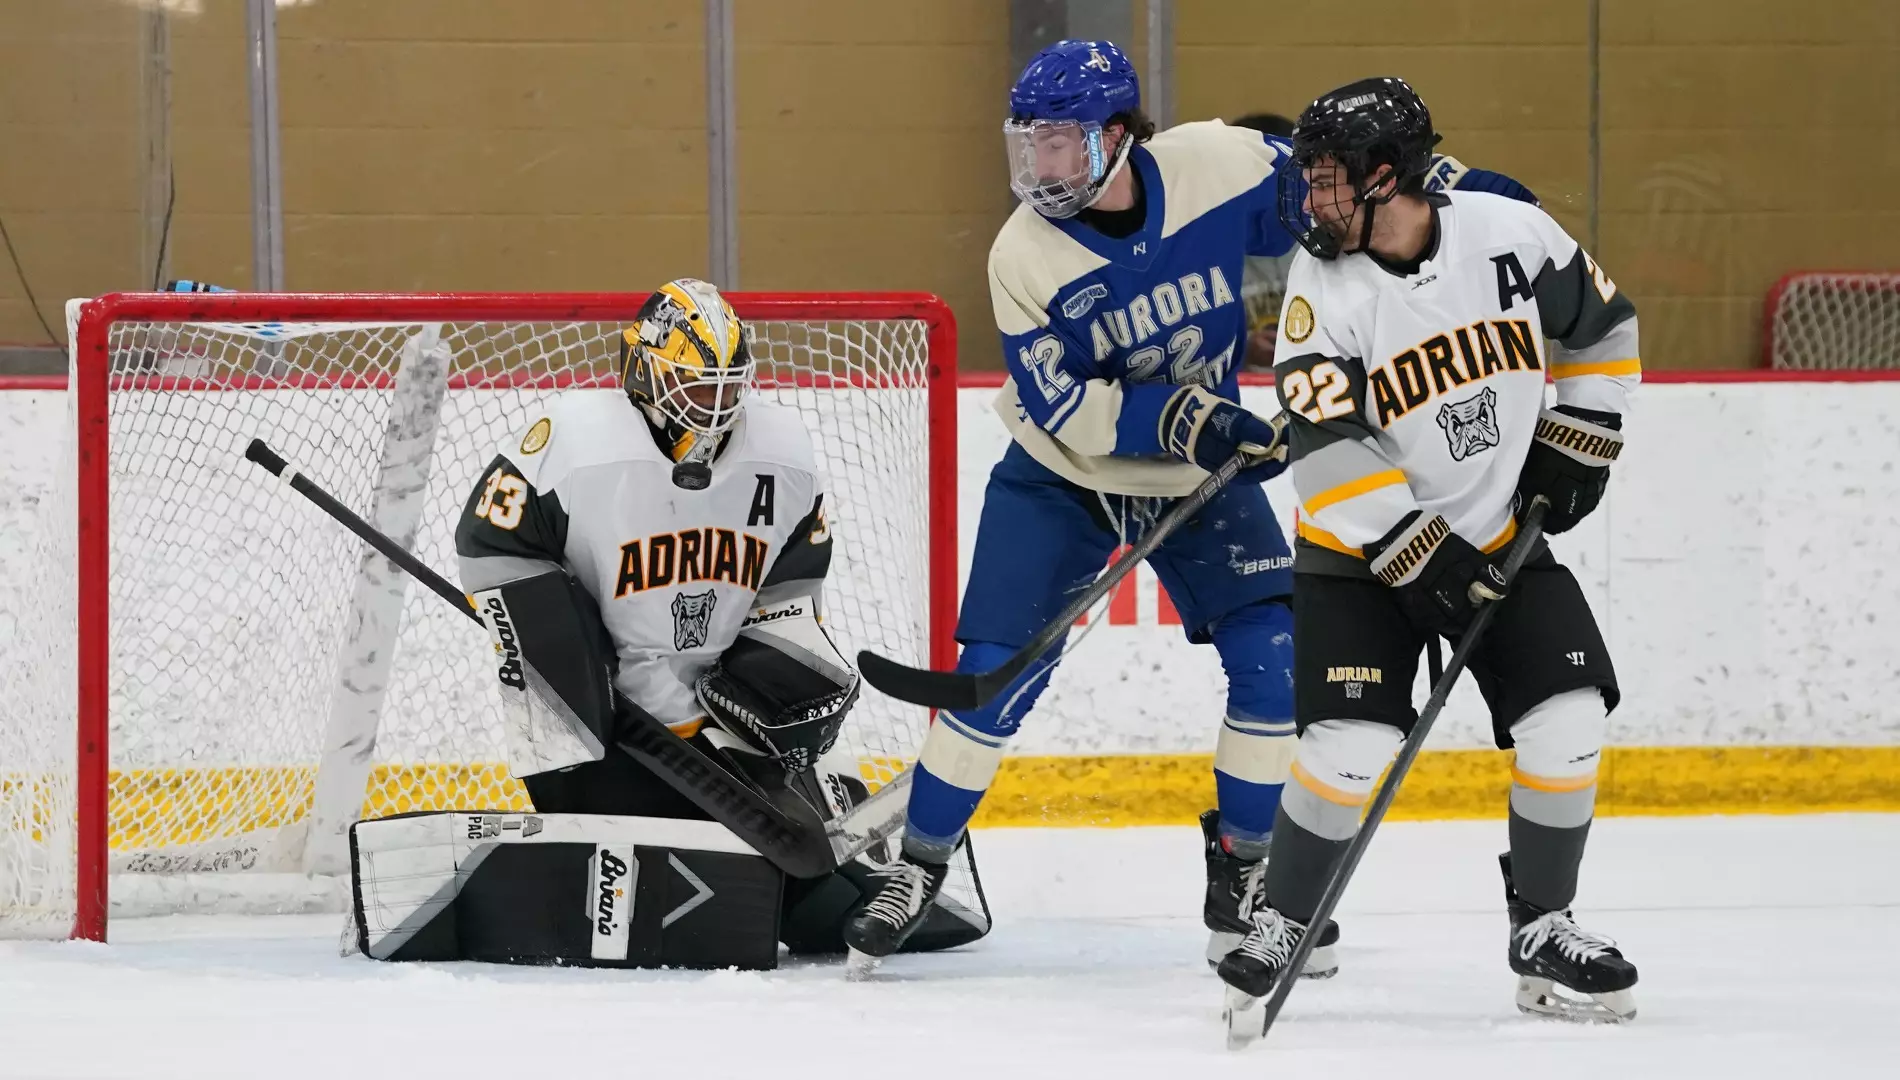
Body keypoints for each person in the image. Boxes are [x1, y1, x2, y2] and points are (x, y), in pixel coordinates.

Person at [843, 39, 1312, 972]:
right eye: (1029, 146)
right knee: (994, 675)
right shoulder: (1021, 254)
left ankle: (1246, 880)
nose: (1040, 169)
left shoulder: (1216, 163)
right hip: (1061, 475)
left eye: (1059, 146)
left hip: (1196, 476)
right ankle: (920, 865)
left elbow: (1329, 200)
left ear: (1119, 135)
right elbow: (1067, 408)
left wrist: (1440, 195)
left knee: (1275, 662)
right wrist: (1192, 418)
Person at [1215, 78, 1641, 1025]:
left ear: (1389, 178)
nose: (1312, 203)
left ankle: (1544, 926)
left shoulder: (1510, 234)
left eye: (1328, 183)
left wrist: (1582, 433)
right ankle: (1281, 919)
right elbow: (1323, 451)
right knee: (1350, 746)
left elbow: (1604, 328)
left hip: (1498, 541)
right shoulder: (1318, 290)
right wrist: (1419, 549)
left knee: (1567, 718)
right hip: (1359, 559)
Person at [419, 278, 988, 968]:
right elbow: (491, 540)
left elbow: (794, 575)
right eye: (694, 383)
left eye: (727, 385)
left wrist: (777, 667)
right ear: (641, 369)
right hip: (597, 728)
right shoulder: (576, 440)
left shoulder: (779, 450)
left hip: (718, 722)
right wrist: (561, 653)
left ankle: (870, 872)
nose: (715, 404)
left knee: (806, 900)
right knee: (721, 890)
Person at [1229, 113, 1540, 371]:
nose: (1310, 202)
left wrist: (1530, 232)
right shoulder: (1213, 234)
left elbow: (1510, 199)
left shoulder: (1343, 208)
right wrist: (1243, 349)